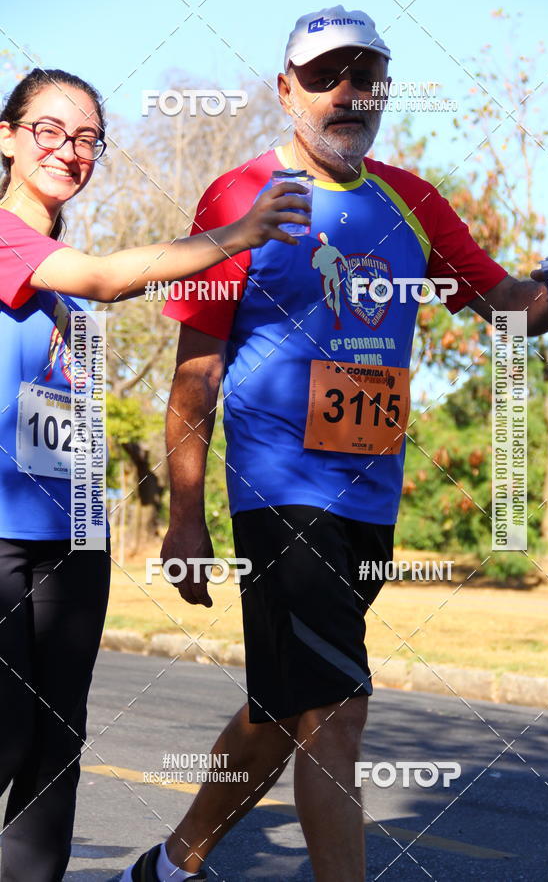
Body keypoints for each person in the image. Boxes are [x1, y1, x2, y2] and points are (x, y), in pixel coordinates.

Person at [115, 4, 548, 882]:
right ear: (286, 89)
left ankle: (169, 867)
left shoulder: (411, 201)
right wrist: (185, 521)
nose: (350, 94)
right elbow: (196, 373)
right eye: (327, 75)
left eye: (367, 77)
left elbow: (498, 302)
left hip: (369, 499)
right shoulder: (240, 200)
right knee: (338, 707)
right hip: (278, 491)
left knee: (286, 703)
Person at [0, 67, 308, 882]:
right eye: (50, 131)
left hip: (73, 535)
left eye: (88, 138)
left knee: (56, 744)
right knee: (8, 734)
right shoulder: (10, 240)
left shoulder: (68, 272)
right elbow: (107, 274)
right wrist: (238, 235)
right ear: (6, 137)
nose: (70, 150)